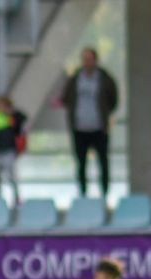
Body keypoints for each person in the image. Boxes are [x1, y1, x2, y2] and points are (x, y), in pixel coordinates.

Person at [58, 48, 118, 197]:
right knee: (81, 164)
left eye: (90, 59)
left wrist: (105, 114)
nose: (87, 62)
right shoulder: (76, 79)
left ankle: (104, 193)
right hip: (80, 128)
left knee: (103, 162)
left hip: (99, 128)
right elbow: (66, 97)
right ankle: (83, 194)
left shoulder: (104, 78)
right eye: (85, 59)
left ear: (95, 61)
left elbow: (113, 99)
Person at [0, 95, 27, 207]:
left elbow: (22, 120)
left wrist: (10, 113)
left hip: (9, 150)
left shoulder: (12, 118)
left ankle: (16, 198)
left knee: (10, 175)